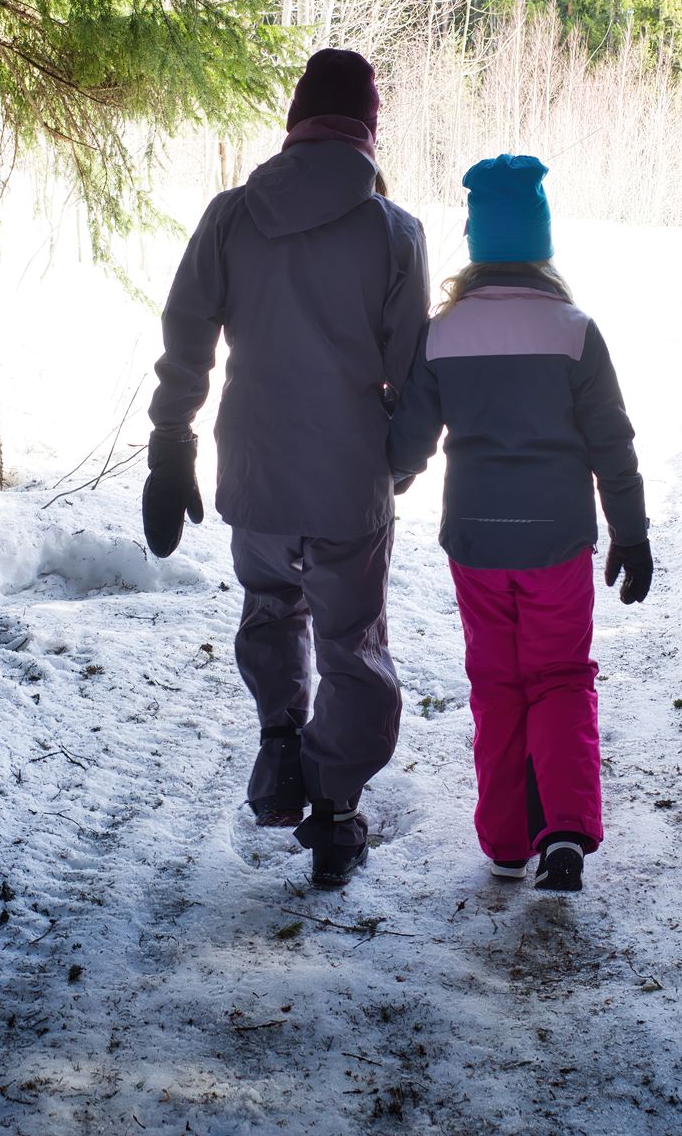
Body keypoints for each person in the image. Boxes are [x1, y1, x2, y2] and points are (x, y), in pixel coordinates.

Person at [142, 49, 429, 887]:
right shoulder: (395, 233)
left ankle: (279, 746)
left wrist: (172, 444)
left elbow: (186, 333)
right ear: (369, 132)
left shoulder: (232, 215)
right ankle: (335, 812)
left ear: (296, 120)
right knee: (352, 646)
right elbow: (413, 374)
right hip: (348, 493)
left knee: (272, 610)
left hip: (256, 482)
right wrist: (396, 467)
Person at [386, 154, 652, 893]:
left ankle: (506, 842)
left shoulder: (443, 333)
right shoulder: (574, 330)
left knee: (496, 684)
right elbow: (612, 440)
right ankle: (562, 831)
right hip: (556, 539)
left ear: (476, 241)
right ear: (542, 240)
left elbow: (408, 441)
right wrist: (631, 530)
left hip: (475, 539)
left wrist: (387, 477)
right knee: (560, 678)